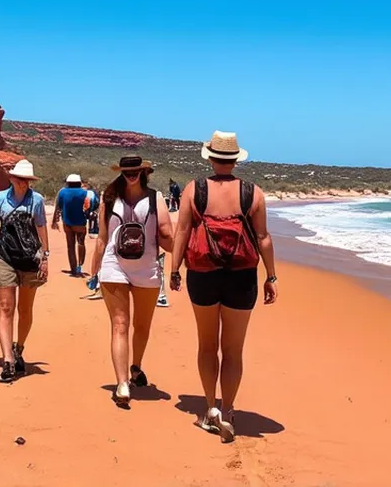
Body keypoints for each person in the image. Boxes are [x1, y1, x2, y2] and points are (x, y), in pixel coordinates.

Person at [170, 131, 277, 442]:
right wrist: (271, 276)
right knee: (233, 349)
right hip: (242, 276)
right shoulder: (253, 193)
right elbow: (263, 238)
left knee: (207, 345)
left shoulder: (194, 189)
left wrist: (174, 270)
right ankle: (228, 410)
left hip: (202, 273)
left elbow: (182, 232)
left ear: (211, 158)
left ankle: (210, 408)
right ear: (235, 160)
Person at [88, 155, 173, 407]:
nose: (131, 174)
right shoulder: (109, 198)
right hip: (114, 266)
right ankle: (122, 383)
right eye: (127, 171)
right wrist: (94, 272)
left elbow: (167, 236)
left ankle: (135, 367)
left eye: (135, 170)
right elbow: (102, 239)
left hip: (146, 268)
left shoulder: (156, 198)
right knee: (120, 324)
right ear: (121, 172)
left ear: (144, 172)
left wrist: (179, 251)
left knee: (142, 326)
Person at [0, 159, 51, 383]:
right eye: (20, 179)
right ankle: (8, 360)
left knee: (25, 309)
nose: (23, 183)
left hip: (30, 260)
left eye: (27, 180)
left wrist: (45, 256)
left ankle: (19, 349)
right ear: (12, 179)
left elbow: (41, 226)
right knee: (6, 308)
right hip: (5, 258)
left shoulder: (36, 200)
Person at [52, 174, 90, 277]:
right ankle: (80, 266)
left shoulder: (62, 192)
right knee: (81, 243)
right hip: (80, 223)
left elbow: (58, 206)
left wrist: (55, 221)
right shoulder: (84, 192)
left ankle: (73, 269)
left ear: (68, 183)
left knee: (70, 246)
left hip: (67, 222)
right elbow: (89, 207)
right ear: (79, 183)